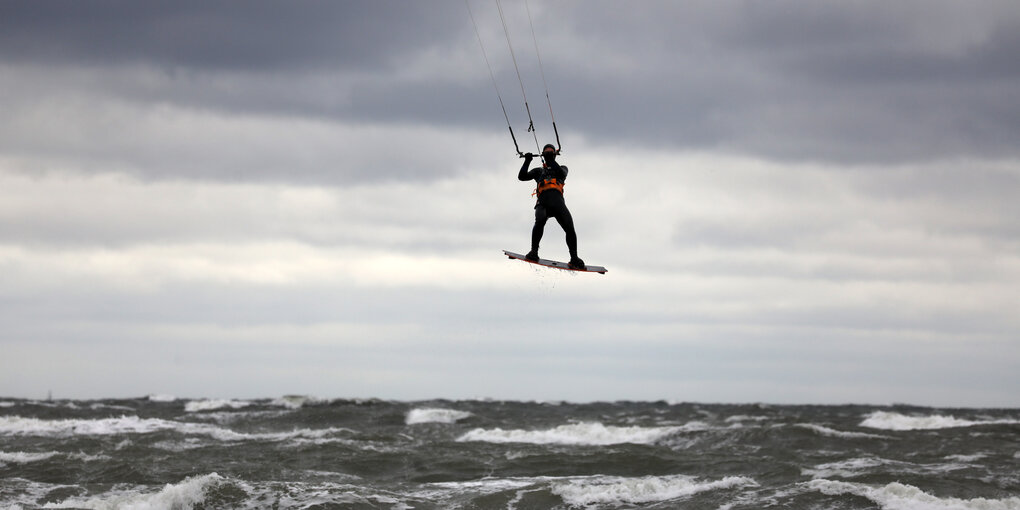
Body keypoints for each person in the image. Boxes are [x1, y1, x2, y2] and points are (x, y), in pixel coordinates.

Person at [518, 143, 585, 269]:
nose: (548, 154)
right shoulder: (538, 171)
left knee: (570, 228)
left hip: (558, 204)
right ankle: (534, 252)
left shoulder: (562, 168)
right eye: (546, 152)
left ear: (554, 155)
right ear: (543, 154)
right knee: (540, 220)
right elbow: (522, 177)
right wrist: (527, 161)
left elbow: (561, 174)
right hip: (543, 204)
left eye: (551, 153)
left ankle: (574, 258)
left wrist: (550, 160)